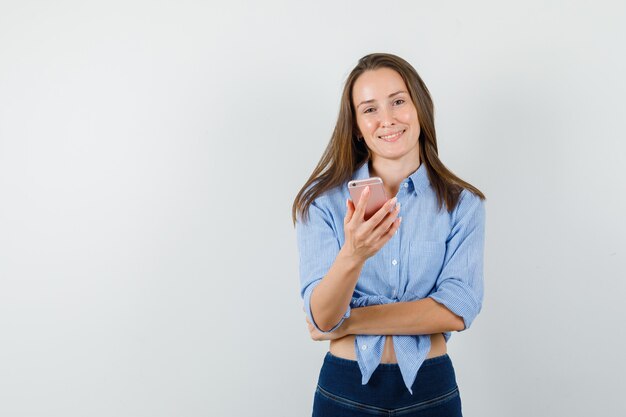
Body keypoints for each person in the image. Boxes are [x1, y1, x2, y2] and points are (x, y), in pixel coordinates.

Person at [292, 53, 486, 416]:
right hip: (345, 390)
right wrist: (353, 253)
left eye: (398, 101)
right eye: (369, 109)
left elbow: (457, 309)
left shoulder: (463, 203)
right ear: (356, 126)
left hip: (431, 391)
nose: (387, 119)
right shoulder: (320, 203)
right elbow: (321, 314)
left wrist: (348, 322)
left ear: (419, 106)